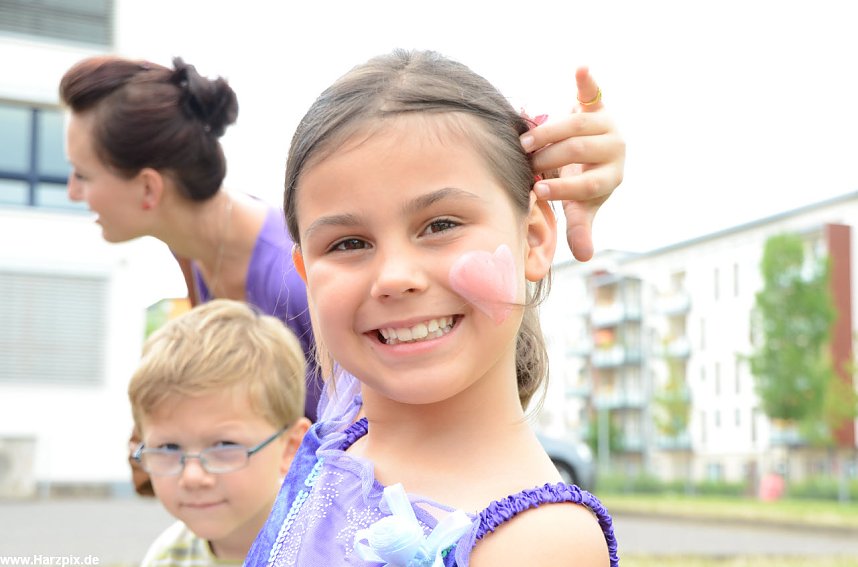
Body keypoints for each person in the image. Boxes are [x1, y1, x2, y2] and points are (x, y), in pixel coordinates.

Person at [59, 54, 623, 494]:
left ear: (149, 186)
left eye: (82, 173)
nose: (72, 191)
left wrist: (539, 192)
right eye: (351, 243)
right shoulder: (198, 261)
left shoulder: (292, 280)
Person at [246, 49, 619, 567]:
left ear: (534, 237)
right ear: (306, 274)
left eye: (441, 225)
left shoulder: (542, 543)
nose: (395, 278)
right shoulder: (344, 423)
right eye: (348, 243)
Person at [128, 299, 311, 566]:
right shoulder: (167, 556)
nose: (192, 477)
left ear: (291, 447)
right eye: (168, 448)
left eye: (224, 446)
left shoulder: (327, 549)